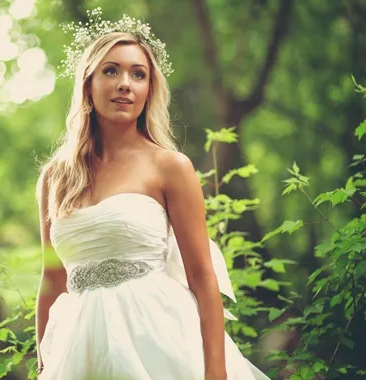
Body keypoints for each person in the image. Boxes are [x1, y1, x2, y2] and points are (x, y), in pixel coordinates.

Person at [35, 9, 270, 380]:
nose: (125, 83)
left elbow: (202, 278)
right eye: (111, 70)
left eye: (138, 74)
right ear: (88, 83)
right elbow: (51, 279)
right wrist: (44, 364)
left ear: (149, 89)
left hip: (159, 339)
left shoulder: (170, 167)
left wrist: (216, 373)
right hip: (79, 347)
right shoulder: (55, 178)